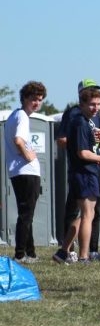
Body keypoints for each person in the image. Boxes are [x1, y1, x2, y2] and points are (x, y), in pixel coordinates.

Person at [60, 87, 100, 261]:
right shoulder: (80, 122)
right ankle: (84, 256)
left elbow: (91, 145)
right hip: (85, 173)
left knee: (85, 215)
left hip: (83, 173)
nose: (96, 108)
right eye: (92, 104)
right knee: (87, 215)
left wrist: (99, 138)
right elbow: (83, 153)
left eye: (98, 104)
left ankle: (62, 252)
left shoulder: (87, 121)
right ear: (82, 104)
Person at [4, 81, 46, 264]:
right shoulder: (22, 116)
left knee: (25, 212)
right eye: (33, 99)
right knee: (27, 214)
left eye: (40, 99)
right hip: (26, 171)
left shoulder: (14, 115)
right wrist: (29, 156)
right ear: (24, 98)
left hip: (16, 171)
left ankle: (31, 252)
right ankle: (20, 254)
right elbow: (18, 140)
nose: (37, 103)